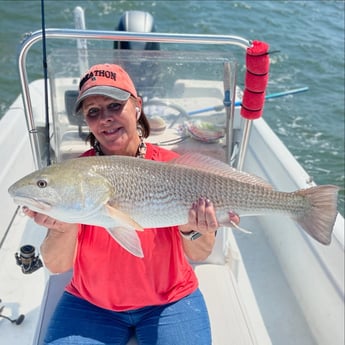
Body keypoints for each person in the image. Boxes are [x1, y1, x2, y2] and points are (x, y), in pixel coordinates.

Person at [24, 63, 240, 345]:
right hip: (91, 305)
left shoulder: (173, 168)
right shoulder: (73, 178)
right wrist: (61, 228)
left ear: (136, 106)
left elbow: (200, 253)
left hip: (171, 301)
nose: (105, 119)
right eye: (93, 112)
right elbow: (57, 264)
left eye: (114, 106)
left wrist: (193, 228)